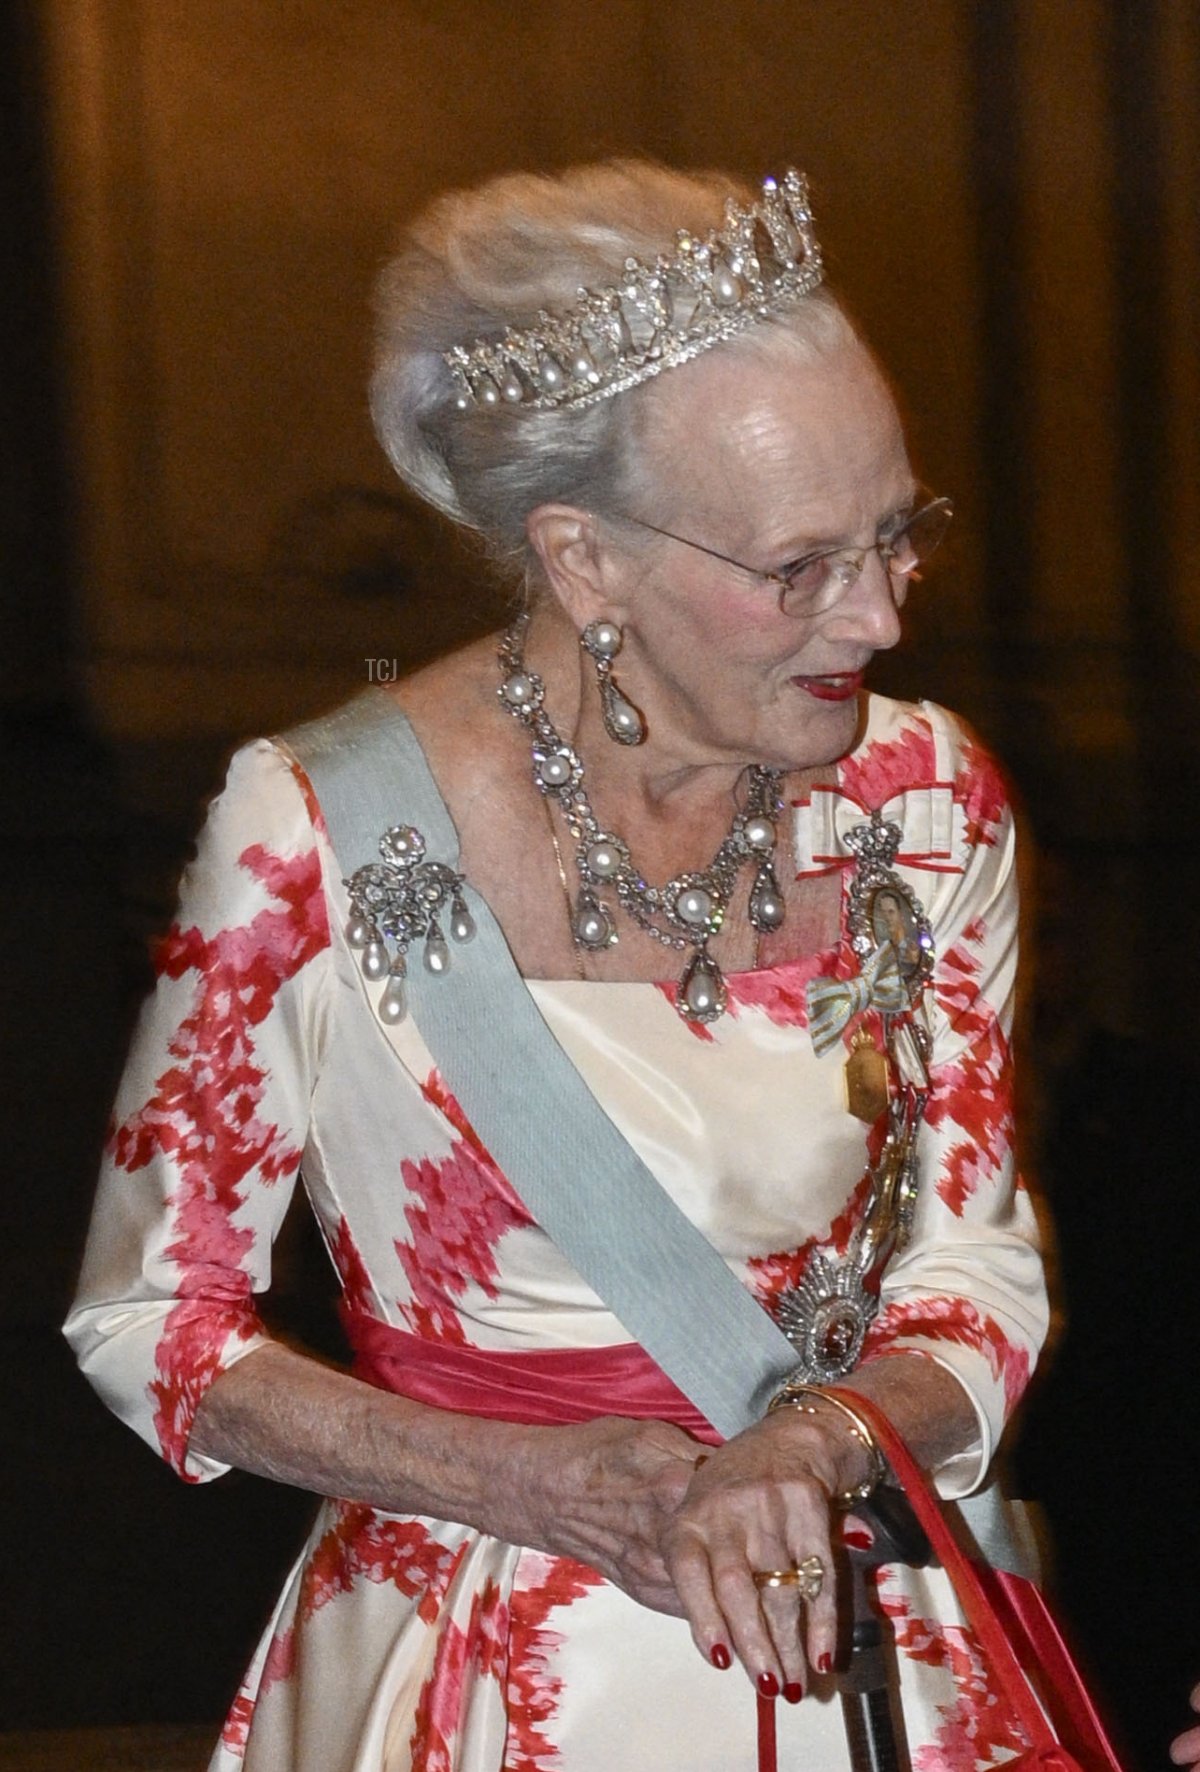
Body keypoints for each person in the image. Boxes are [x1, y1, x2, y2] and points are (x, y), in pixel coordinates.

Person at [66, 161, 1048, 1772]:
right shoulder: (315, 826)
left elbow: (973, 1268)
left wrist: (816, 1436)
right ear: (584, 561)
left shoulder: (925, 803)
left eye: (897, 534)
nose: (877, 613)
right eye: (800, 567)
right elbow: (154, 1322)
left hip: (869, 1638)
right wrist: (523, 1482)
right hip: (483, 1666)